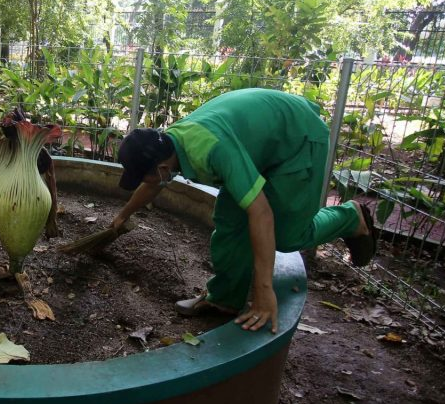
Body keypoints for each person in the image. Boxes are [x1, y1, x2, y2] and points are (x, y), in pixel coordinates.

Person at [112, 88, 376, 334]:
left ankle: (350, 218)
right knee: (229, 220)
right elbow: (152, 185)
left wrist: (264, 291)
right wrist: (124, 215)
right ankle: (224, 298)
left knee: (288, 236)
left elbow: (261, 213)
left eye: (141, 175)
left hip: (298, 138)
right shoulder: (171, 143)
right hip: (260, 145)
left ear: (161, 169)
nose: (143, 181)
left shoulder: (212, 149)